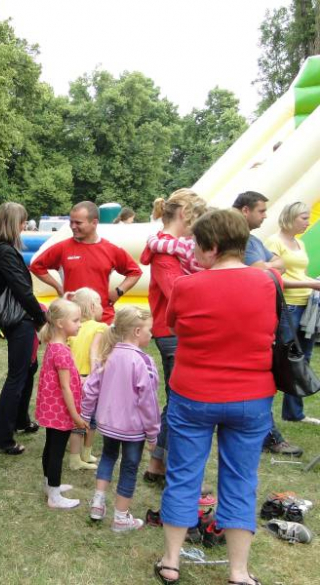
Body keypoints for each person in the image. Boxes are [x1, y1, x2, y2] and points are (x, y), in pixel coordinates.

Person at [155, 209, 277, 585]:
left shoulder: (188, 286)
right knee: (241, 480)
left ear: (210, 246)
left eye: (196, 245)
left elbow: (175, 324)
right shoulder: (269, 282)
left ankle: (171, 561)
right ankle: (238, 571)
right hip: (251, 396)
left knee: (182, 475)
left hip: (194, 393)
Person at [138, 189, 207, 485]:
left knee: (177, 401)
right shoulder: (166, 252)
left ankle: (157, 465)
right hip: (174, 334)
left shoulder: (174, 249)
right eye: (198, 218)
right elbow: (179, 295)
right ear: (184, 215)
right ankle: (174, 469)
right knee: (183, 403)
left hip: (175, 333)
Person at [232, 192, 302, 457]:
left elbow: (278, 264)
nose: (265, 216)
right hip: (249, 320)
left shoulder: (252, 240)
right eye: (262, 211)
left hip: (259, 318)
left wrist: (271, 266)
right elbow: (263, 269)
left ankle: (263, 432)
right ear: (246, 210)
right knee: (259, 377)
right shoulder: (241, 242)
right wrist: (272, 267)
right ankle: (268, 434)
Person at [83, 306, 160, 532]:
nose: (151, 334)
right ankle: (120, 517)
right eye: (149, 329)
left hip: (109, 425)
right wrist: (153, 434)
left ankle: (97, 504)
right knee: (129, 466)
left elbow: (90, 388)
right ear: (137, 331)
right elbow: (148, 401)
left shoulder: (110, 354)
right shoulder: (143, 362)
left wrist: (87, 414)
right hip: (133, 430)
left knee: (108, 457)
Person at [0, 202, 47, 455]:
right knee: (17, 376)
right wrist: (41, 317)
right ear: (13, 223)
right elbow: (22, 290)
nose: (24, 225)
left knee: (29, 368)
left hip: (18, 319)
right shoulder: (5, 252)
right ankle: (1, 437)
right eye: (22, 221)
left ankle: (20, 420)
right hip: (19, 319)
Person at [30, 201, 142, 324]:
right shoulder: (62, 248)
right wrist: (58, 287)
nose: (73, 226)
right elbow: (36, 266)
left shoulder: (110, 249)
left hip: (103, 319)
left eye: (78, 223)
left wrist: (119, 291)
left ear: (94, 222)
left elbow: (135, 272)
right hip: (72, 321)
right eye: (71, 222)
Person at [265, 201, 320, 425]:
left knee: (303, 358)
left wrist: (312, 282)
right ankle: (268, 412)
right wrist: (310, 285)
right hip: (288, 306)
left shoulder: (299, 243)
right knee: (285, 358)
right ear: (290, 217)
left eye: (308, 218)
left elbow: (300, 273)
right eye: (303, 218)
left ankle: (294, 413)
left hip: (308, 304)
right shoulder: (274, 242)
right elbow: (274, 279)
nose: (307, 222)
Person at [35, 298, 86, 510]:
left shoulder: (53, 346)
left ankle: (50, 485)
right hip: (60, 410)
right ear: (59, 323)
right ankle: (54, 496)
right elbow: (65, 388)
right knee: (56, 451)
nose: (80, 324)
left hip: (50, 407)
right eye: (75, 320)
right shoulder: (62, 351)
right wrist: (75, 415)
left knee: (50, 447)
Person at [67, 287, 108, 470]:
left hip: (72, 379)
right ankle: (79, 456)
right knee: (89, 420)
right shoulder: (101, 327)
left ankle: (82, 454)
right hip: (90, 379)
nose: (102, 307)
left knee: (79, 418)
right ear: (92, 307)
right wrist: (93, 376)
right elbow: (95, 354)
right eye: (99, 303)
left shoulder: (72, 327)